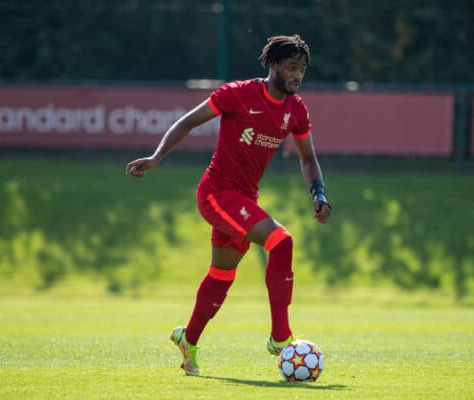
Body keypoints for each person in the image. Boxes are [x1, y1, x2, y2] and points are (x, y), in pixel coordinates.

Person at [126, 34, 331, 376]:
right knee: (282, 240)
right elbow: (188, 121)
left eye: (302, 69)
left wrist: (319, 193)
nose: (297, 75)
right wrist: (157, 157)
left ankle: (188, 340)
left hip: (244, 200)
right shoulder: (238, 93)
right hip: (217, 194)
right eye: (292, 67)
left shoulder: (296, 110)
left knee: (222, 274)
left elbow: (308, 158)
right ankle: (280, 338)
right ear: (274, 66)